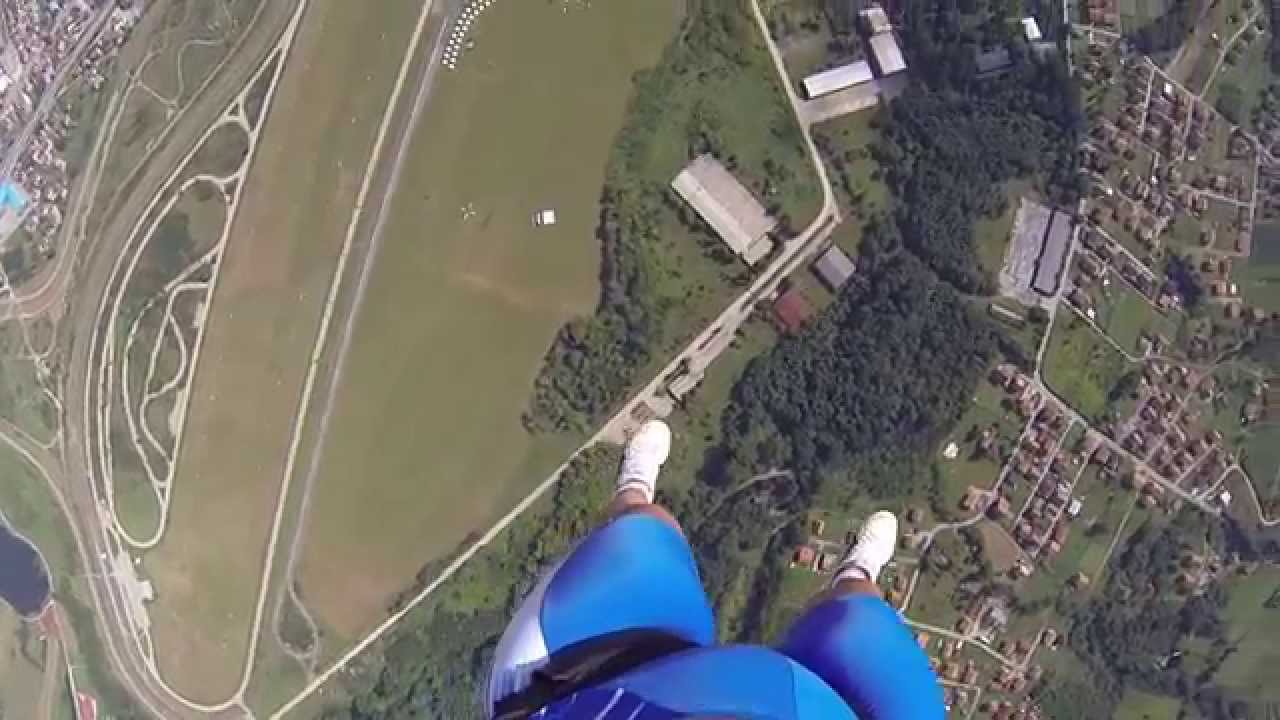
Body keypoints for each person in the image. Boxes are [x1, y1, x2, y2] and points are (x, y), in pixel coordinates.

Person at [487, 420, 944, 719]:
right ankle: (855, 572)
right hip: (809, 704)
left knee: (641, 538)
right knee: (861, 625)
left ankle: (634, 492)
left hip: (590, 690)